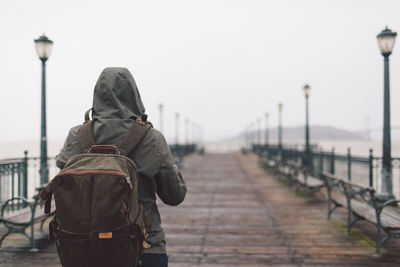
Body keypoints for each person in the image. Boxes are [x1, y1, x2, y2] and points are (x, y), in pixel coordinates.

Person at [55, 67, 187, 267]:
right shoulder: (151, 137)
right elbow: (174, 196)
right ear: (134, 95)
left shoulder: (77, 135)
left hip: (82, 248)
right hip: (144, 247)